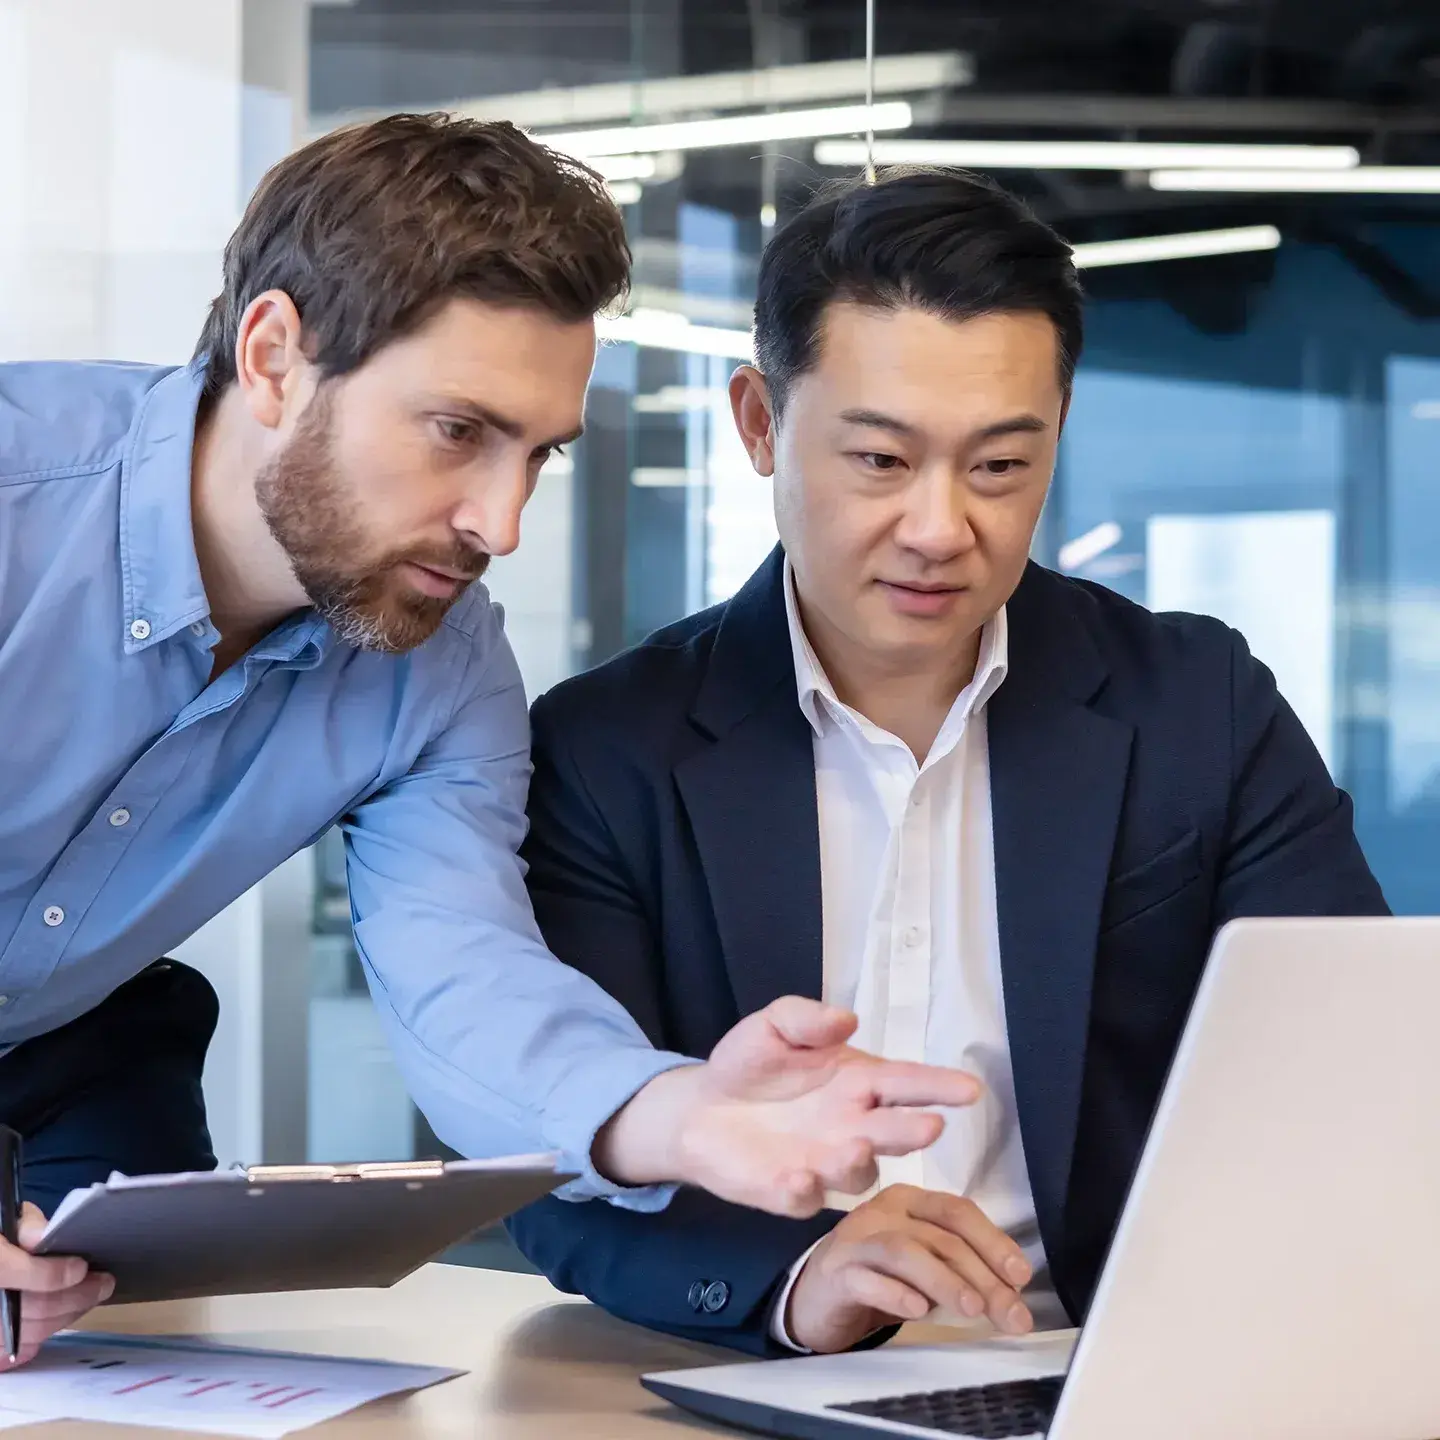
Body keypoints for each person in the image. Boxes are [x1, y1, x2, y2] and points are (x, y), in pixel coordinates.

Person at [0, 121, 986, 1366]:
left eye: (539, 454)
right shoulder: (22, 505)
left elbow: (463, 977)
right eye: (458, 431)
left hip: (63, 1082)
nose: (501, 524)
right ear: (274, 358)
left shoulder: (442, 664)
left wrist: (679, 1113)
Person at [505, 168, 1390, 1355]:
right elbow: (552, 1166)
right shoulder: (607, 750)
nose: (939, 529)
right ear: (759, 423)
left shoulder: (1198, 706)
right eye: (880, 460)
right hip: (766, 1368)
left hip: (1111, 1367)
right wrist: (797, 1282)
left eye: (1000, 468)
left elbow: (1351, 1063)